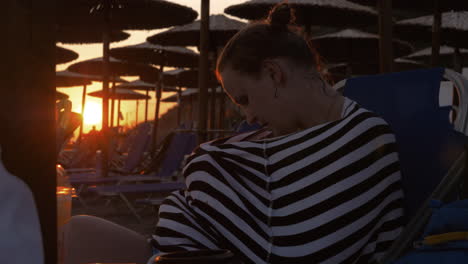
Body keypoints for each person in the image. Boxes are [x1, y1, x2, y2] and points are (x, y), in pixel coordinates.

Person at [62, 3, 404, 264]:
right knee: (71, 231)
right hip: (169, 250)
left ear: (273, 74)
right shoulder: (274, 135)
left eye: (244, 99)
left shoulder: (363, 138)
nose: (249, 117)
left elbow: (302, 247)